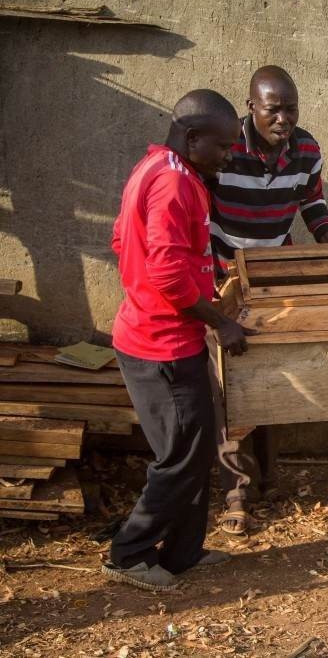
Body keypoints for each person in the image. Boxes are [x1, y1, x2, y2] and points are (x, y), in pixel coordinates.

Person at [104, 90, 253, 591]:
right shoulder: (173, 182)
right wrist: (220, 321)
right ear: (193, 137)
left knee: (192, 450)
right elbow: (167, 276)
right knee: (180, 458)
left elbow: (123, 241)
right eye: (225, 146)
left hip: (160, 334)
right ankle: (129, 554)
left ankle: (183, 553)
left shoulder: (158, 166)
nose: (229, 156)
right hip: (161, 345)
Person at [210, 65, 328, 534]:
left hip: (276, 279)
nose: (283, 119)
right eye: (273, 109)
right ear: (251, 108)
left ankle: (269, 479)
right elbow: (200, 211)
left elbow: (313, 203)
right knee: (230, 386)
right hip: (224, 276)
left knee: (271, 378)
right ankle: (235, 491)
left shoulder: (306, 149)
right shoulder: (224, 149)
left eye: (291, 109)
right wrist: (209, 280)